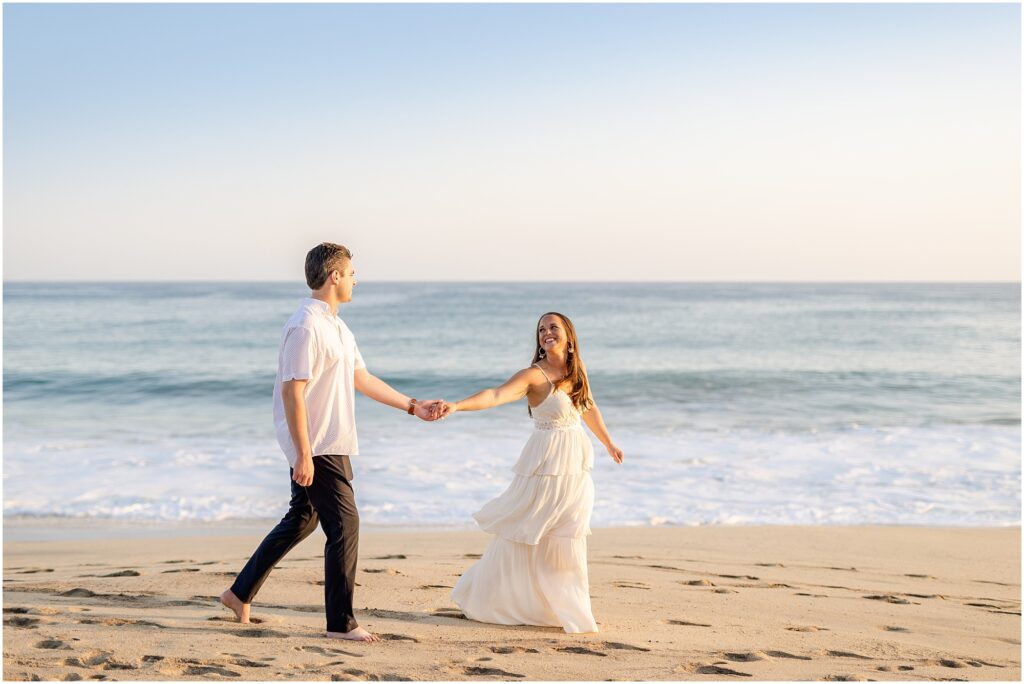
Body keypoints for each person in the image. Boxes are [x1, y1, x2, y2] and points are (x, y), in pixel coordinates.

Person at [219, 242, 443, 642]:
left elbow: (363, 378)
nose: (356, 279)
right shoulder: (305, 325)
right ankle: (340, 623)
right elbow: (293, 391)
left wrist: (413, 406)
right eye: (352, 272)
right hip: (317, 443)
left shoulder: (336, 326)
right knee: (345, 524)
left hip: (330, 439)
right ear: (334, 275)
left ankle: (239, 594)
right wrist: (303, 453)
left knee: (302, 518)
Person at [442, 312, 624, 634]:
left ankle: (570, 609)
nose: (546, 333)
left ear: (568, 335)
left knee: (569, 535)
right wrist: (456, 405)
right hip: (545, 466)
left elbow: (589, 406)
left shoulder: (576, 370)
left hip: (575, 468)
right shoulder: (532, 376)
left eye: (553, 327)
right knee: (531, 532)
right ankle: (508, 600)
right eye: (541, 329)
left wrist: (608, 443)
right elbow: (495, 395)